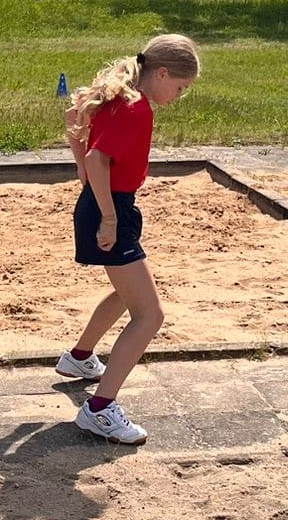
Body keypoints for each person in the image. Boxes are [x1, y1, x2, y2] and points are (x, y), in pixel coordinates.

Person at [55, 33, 203, 446]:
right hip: (111, 208)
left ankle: (79, 358)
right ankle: (99, 410)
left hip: (106, 204)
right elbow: (98, 159)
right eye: (179, 87)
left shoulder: (119, 98)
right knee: (150, 315)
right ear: (161, 73)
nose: (179, 96)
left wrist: (90, 185)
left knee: (128, 295)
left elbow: (79, 138)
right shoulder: (135, 108)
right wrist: (107, 217)